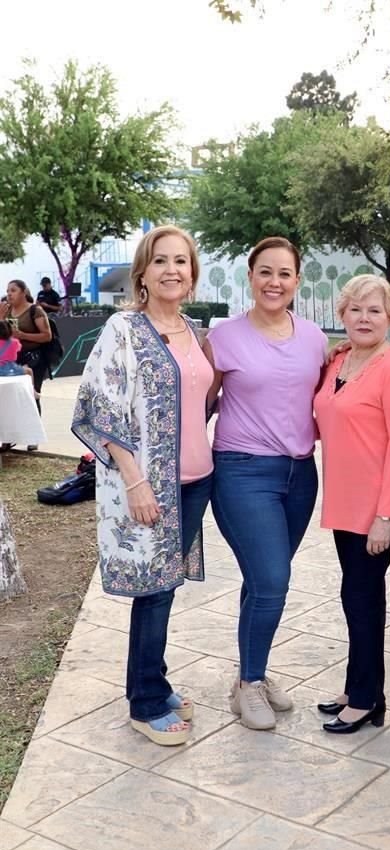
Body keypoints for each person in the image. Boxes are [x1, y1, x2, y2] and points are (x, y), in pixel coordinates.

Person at [72, 225, 215, 746]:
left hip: (196, 483)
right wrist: (135, 482)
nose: (172, 269)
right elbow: (101, 408)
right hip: (152, 486)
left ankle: (151, 680)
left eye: (182, 261)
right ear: (143, 274)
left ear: (192, 275)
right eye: (160, 261)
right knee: (152, 593)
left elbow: (201, 402)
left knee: (165, 588)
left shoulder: (194, 331)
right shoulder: (124, 329)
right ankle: (146, 704)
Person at [202, 236, 328, 731]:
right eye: (265, 272)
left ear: (297, 282)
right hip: (242, 472)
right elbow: (200, 406)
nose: (275, 282)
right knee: (273, 579)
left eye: (285, 274)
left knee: (261, 579)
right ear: (250, 277)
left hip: (300, 475)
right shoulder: (224, 338)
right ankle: (250, 683)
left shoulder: (315, 338)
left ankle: (250, 673)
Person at [313, 275, 390, 734]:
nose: (364, 318)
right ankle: (360, 689)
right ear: (342, 316)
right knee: (357, 598)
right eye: (355, 309)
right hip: (343, 501)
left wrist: (387, 515)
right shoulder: (339, 362)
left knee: (362, 597)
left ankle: (367, 698)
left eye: (374, 310)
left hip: (375, 509)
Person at [0, 280, 52, 435]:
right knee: (8, 398)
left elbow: (47, 336)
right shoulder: (6, 311)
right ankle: (8, 437)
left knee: (31, 395)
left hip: (33, 357)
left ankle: (34, 436)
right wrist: (1, 318)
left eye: (13, 290)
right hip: (11, 359)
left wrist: (22, 335)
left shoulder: (35, 310)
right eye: (8, 290)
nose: (9, 294)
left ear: (23, 292)